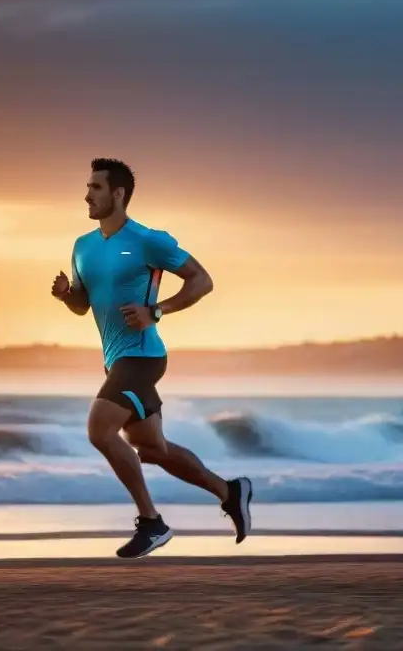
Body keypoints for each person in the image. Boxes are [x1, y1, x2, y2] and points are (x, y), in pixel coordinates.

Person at [51, 157, 253, 559]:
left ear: (118, 194)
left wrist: (156, 311)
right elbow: (83, 304)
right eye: (88, 187)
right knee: (152, 449)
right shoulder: (82, 247)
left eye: (95, 188)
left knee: (99, 429)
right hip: (116, 360)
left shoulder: (149, 240)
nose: (87, 195)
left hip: (143, 357)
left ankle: (152, 522)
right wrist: (66, 296)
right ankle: (230, 491)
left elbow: (203, 280)